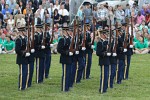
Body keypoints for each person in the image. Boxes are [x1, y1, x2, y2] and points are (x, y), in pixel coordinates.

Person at [57, 24, 72, 92]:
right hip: (65, 58)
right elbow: (59, 50)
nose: (69, 31)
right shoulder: (62, 40)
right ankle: (64, 88)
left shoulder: (69, 39)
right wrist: (67, 53)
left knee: (69, 73)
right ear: (64, 31)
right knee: (65, 73)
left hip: (69, 58)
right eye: (67, 30)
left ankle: (67, 86)